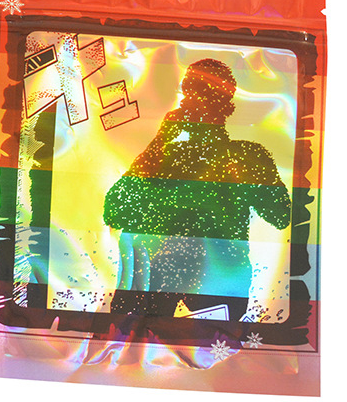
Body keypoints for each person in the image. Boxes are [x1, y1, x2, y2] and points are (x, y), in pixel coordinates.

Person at [103, 58, 290, 299]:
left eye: (200, 96)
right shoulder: (166, 157)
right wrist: (159, 143)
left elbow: (281, 217)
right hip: (157, 293)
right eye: (189, 94)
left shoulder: (244, 157)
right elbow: (114, 212)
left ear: (226, 106)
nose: (189, 104)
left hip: (211, 293)